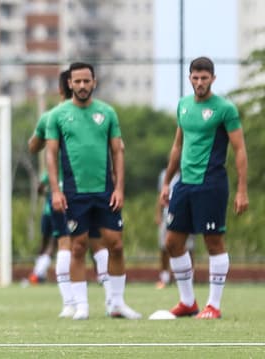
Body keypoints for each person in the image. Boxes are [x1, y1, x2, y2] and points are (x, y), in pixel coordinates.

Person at [45, 62, 141, 320]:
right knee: (78, 247)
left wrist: (119, 187)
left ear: (94, 82)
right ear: (70, 84)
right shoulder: (58, 115)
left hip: (105, 192)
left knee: (116, 245)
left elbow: (117, 152)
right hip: (75, 193)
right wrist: (56, 190)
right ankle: (81, 306)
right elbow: (51, 155)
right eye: (77, 81)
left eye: (87, 81)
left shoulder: (107, 113)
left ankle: (117, 303)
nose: (82, 86)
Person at [161, 56, 248, 319]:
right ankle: (188, 302)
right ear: (190, 78)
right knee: (172, 242)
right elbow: (178, 146)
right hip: (184, 184)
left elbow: (240, 149)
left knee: (213, 241)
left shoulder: (225, 109)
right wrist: (167, 181)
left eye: (204, 78)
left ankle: (214, 305)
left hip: (211, 184)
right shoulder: (183, 106)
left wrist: (242, 190)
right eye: (195, 78)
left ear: (213, 79)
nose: (199, 82)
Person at [27, 70, 112, 318]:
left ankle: (70, 303)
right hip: (93, 189)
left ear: (60, 88)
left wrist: (43, 135)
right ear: (73, 85)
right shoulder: (98, 114)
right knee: (99, 245)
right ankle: (111, 300)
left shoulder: (51, 116)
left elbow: (33, 147)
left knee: (66, 244)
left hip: (65, 192)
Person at [154, 168, 195, 289]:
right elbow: (160, 195)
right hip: (168, 214)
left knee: (189, 247)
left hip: (187, 214)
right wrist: (158, 214)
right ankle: (165, 277)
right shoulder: (164, 175)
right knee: (165, 246)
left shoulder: (191, 172)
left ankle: (188, 278)